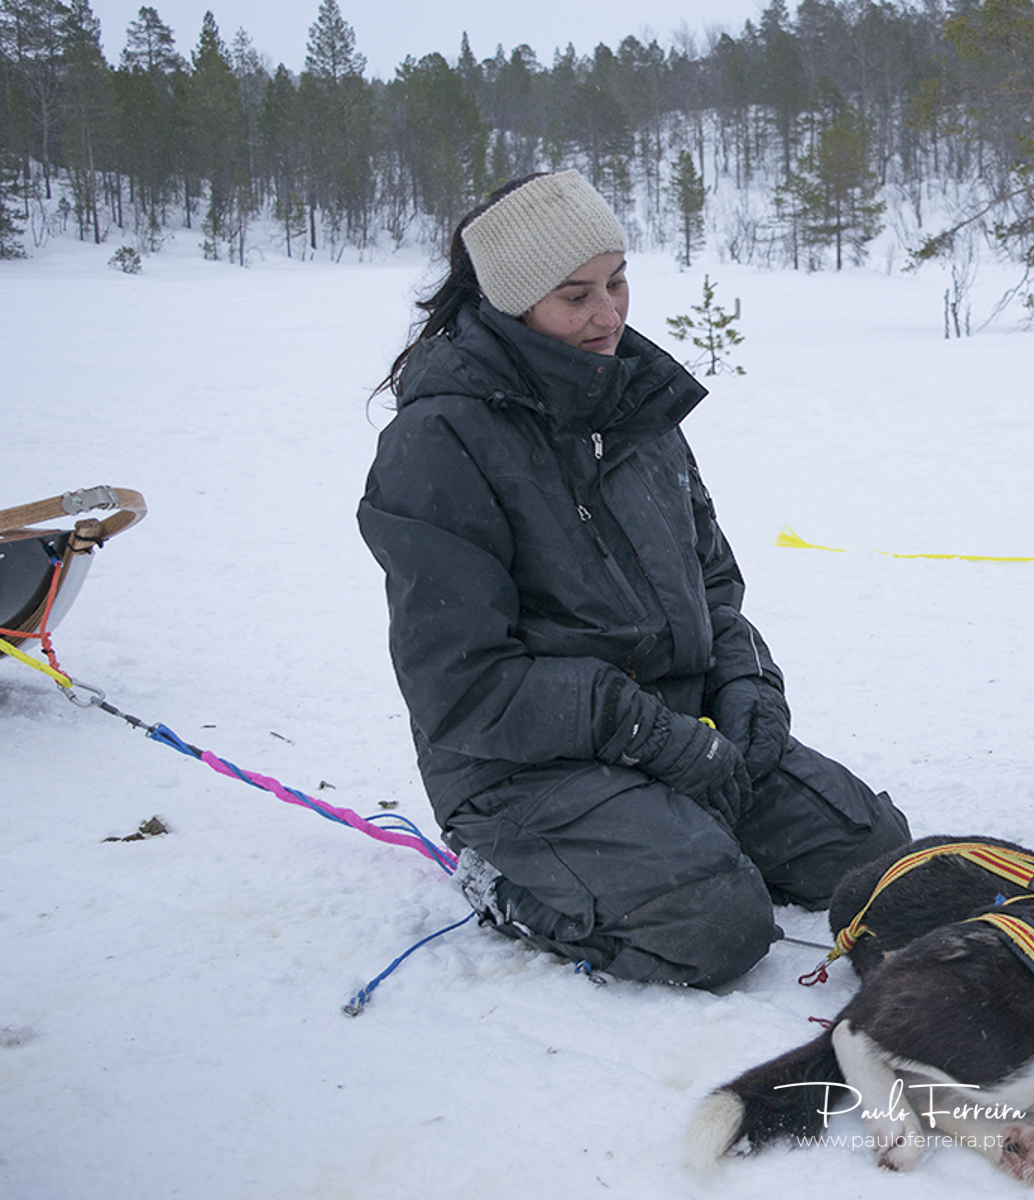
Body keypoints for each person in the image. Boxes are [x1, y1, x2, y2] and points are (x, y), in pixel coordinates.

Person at [358, 171, 910, 986]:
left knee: (875, 861)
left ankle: (668, 832)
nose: (609, 315)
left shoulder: (631, 407)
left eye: (617, 283)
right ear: (515, 303)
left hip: (680, 734)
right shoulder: (439, 442)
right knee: (716, 924)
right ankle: (503, 881)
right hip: (521, 769)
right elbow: (460, 685)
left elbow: (711, 580)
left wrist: (746, 684)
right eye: (575, 296)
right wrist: (643, 732)